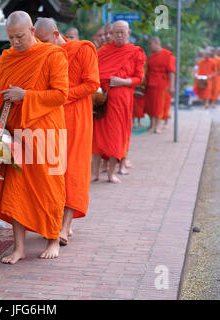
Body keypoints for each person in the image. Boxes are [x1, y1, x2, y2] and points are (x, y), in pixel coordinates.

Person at [0, 11, 69, 264]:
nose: (15, 42)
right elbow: (2, 97)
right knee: (15, 189)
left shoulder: (53, 55)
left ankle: (53, 239)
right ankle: (19, 247)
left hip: (46, 131)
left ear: (33, 32)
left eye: (21, 36)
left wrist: (26, 95)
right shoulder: (6, 58)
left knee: (50, 187)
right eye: (11, 37)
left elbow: (60, 95)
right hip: (15, 134)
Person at [34, 17, 100, 246]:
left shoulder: (83, 49)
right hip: (51, 117)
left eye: (43, 40)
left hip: (76, 116)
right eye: (38, 41)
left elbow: (92, 84)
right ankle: (53, 220)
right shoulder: (43, 53)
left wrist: (62, 95)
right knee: (52, 169)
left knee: (73, 169)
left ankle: (65, 226)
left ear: (55, 33)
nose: (41, 45)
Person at [91, 20, 146, 184]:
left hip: (122, 100)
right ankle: (95, 173)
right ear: (112, 34)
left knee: (117, 135)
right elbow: (94, 73)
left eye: (123, 32)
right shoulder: (103, 51)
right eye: (117, 32)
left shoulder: (136, 52)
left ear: (129, 33)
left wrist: (122, 82)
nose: (120, 35)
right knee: (98, 135)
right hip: (103, 100)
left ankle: (111, 173)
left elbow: (139, 78)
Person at [143, 36, 175, 134]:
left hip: (161, 83)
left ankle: (157, 126)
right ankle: (151, 124)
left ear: (157, 43)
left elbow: (171, 71)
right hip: (150, 83)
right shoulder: (151, 56)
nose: (150, 47)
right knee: (150, 105)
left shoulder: (167, 55)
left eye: (151, 44)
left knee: (158, 105)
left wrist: (172, 86)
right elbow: (147, 70)